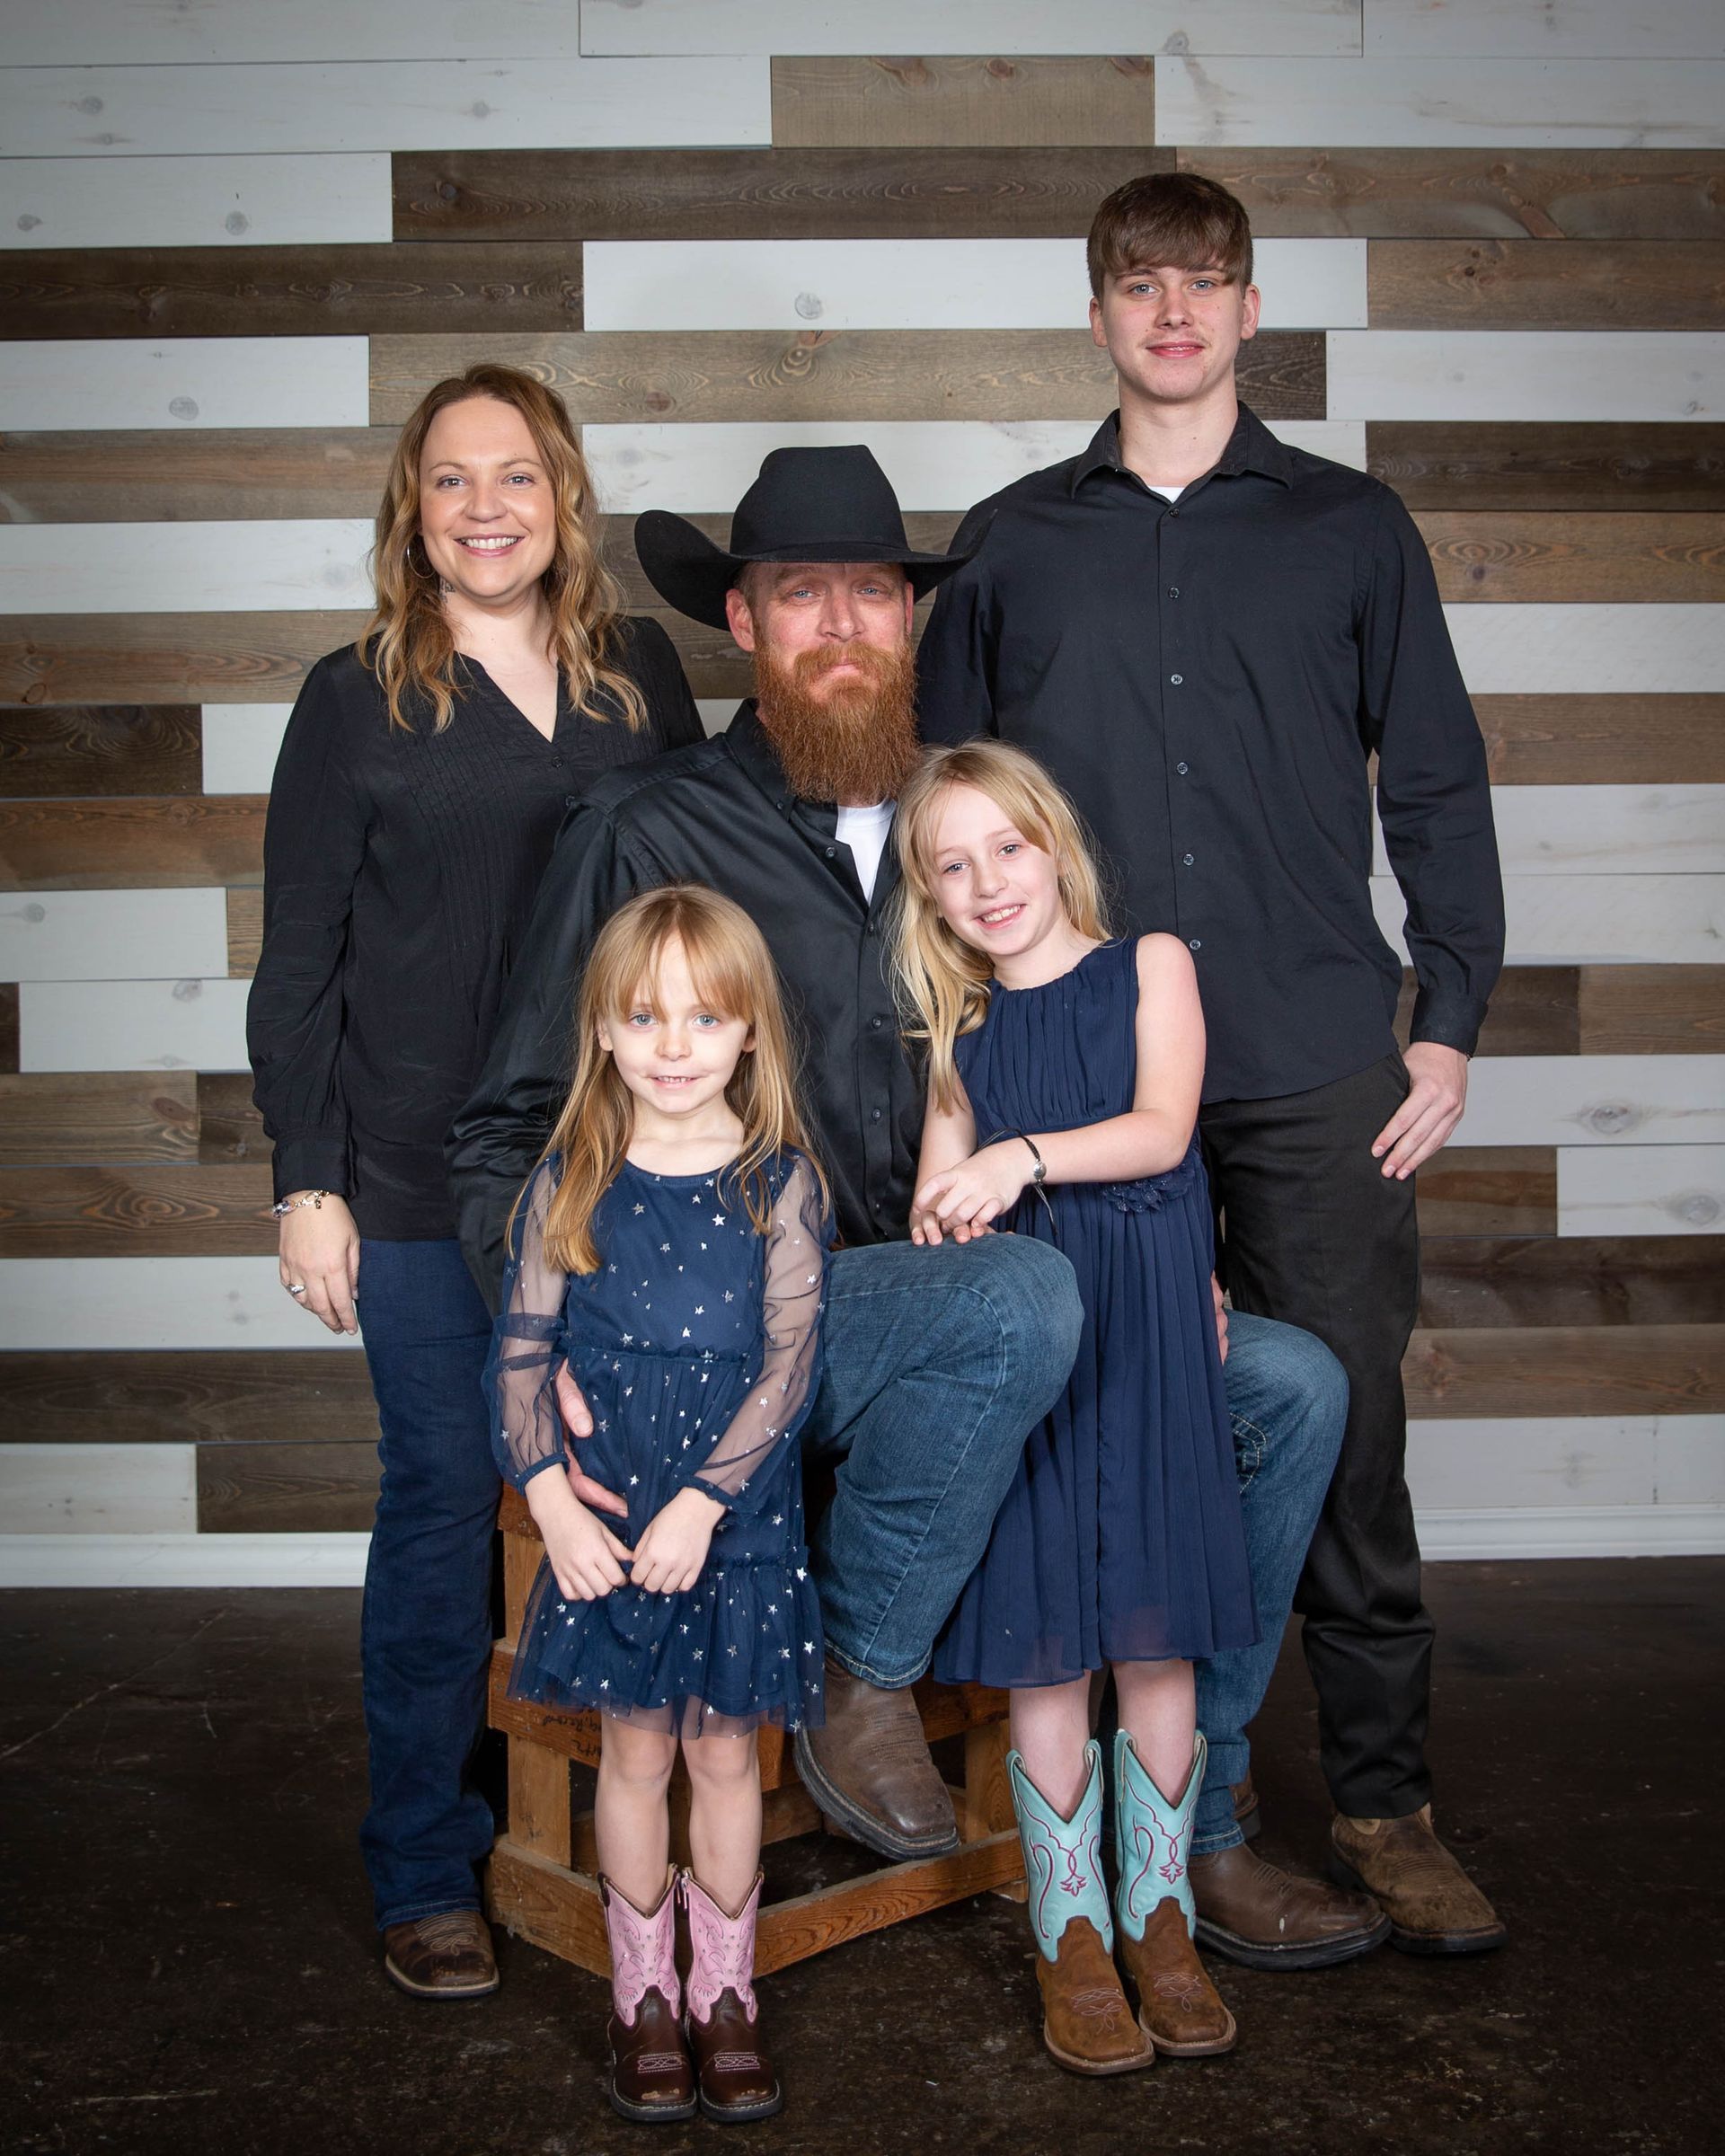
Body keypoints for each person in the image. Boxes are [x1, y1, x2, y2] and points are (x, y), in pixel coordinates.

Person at [447, 448, 1372, 1978]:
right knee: (1013, 1300)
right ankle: (866, 1664)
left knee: (1290, 1386)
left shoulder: (973, 832)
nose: (838, 625)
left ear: (908, 620)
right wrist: (556, 1369)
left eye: (869, 592)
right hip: (753, 1328)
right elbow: (506, 1136)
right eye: (798, 593)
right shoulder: (646, 830)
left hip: (996, 1296)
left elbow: (1103, 1067)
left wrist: (1180, 1258)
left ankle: (1187, 1827)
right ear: (741, 621)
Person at [918, 171, 1508, 1956]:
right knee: (1125, 1427)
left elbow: (1438, 783)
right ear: (1097, 314)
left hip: (1320, 1055)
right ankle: (1189, 1831)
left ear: (1254, 311)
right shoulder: (1014, 542)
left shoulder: (1352, 529)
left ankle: (1386, 1805)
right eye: (1140, 285)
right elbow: (948, 818)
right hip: (1079, 1088)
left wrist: (1452, 1015)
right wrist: (958, 1068)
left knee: (1346, 1433)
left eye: (1207, 283)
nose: (1174, 312)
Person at [247, 364, 703, 2001]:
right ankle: (428, 1869)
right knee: (447, 1498)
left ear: (561, 498)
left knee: (645, 1488)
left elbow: (694, 905)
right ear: (411, 508)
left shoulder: (639, 670)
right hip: (424, 1178)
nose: (487, 507)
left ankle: (633, 1824)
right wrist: (310, 1181)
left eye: (517, 476)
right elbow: (300, 961)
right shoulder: (353, 697)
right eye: (453, 480)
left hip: (616, 1169)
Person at [895, 739, 1256, 2073]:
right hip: (1035, 1363)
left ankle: (1163, 1920)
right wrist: (958, 1202)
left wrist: (1019, 1156)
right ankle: (1073, 1931)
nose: (987, 882)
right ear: (930, 899)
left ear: (1055, 843)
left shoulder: (1149, 965)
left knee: (1155, 1638)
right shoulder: (961, 1036)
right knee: (1051, 1643)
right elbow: (939, 1216)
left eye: (1008, 847)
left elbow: (1163, 1129)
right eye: (951, 865)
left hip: (1149, 1334)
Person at [490, 885, 827, 2125]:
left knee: (724, 1754)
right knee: (633, 1753)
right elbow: (520, 1357)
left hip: (732, 1523)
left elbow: (791, 1365)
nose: (674, 1046)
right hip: (613, 1519)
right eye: (645, 1017)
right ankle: (645, 2000)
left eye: (704, 1018)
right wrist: (558, 1512)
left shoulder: (777, 1184)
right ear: (602, 1033)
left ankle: (726, 1997)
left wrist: (702, 1507)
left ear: (750, 1033)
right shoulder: (568, 1182)